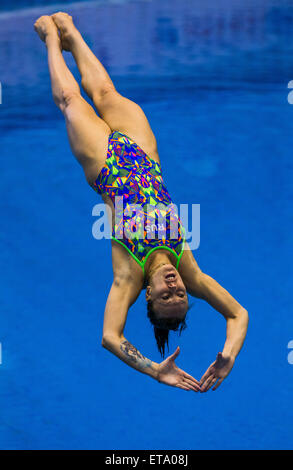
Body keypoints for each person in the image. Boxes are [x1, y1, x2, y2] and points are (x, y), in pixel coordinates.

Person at [34, 12, 249, 392]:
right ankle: (70, 31)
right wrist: (229, 353)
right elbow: (238, 314)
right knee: (106, 94)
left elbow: (110, 337)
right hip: (146, 155)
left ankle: (51, 37)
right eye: (180, 293)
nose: (174, 286)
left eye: (166, 295)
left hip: (104, 164)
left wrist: (154, 369)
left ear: (149, 296)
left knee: (70, 100)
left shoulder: (129, 277)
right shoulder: (190, 270)